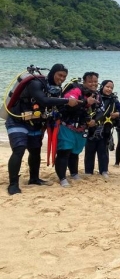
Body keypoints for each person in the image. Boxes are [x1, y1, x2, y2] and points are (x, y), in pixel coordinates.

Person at [5, 64, 78, 195]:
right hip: (17, 120)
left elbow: (51, 107)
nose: (61, 78)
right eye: (59, 75)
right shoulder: (35, 83)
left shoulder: (55, 89)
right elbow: (43, 100)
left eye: (64, 77)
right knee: (19, 150)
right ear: (52, 73)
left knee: (35, 151)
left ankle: (34, 178)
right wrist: (67, 100)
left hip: (35, 123)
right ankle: (13, 184)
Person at [56, 72, 100, 188]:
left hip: (81, 129)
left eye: (95, 81)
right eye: (90, 82)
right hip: (67, 126)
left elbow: (101, 111)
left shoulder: (96, 95)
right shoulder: (76, 91)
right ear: (84, 82)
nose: (93, 84)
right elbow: (68, 102)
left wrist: (94, 121)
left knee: (75, 152)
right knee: (64, 152)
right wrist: (86, 102)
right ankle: (62, 178)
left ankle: (74, 173)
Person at [84, 80, 120, 179]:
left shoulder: (114, 100)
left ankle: (104, 170)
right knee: (90, 150)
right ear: (102, 86)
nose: (109, 89)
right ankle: (88, 171)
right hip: (92, 127)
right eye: (107, 87)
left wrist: (118, 114)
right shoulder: (94, 96)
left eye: (111, 88)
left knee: (103, 151)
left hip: (105, 128)